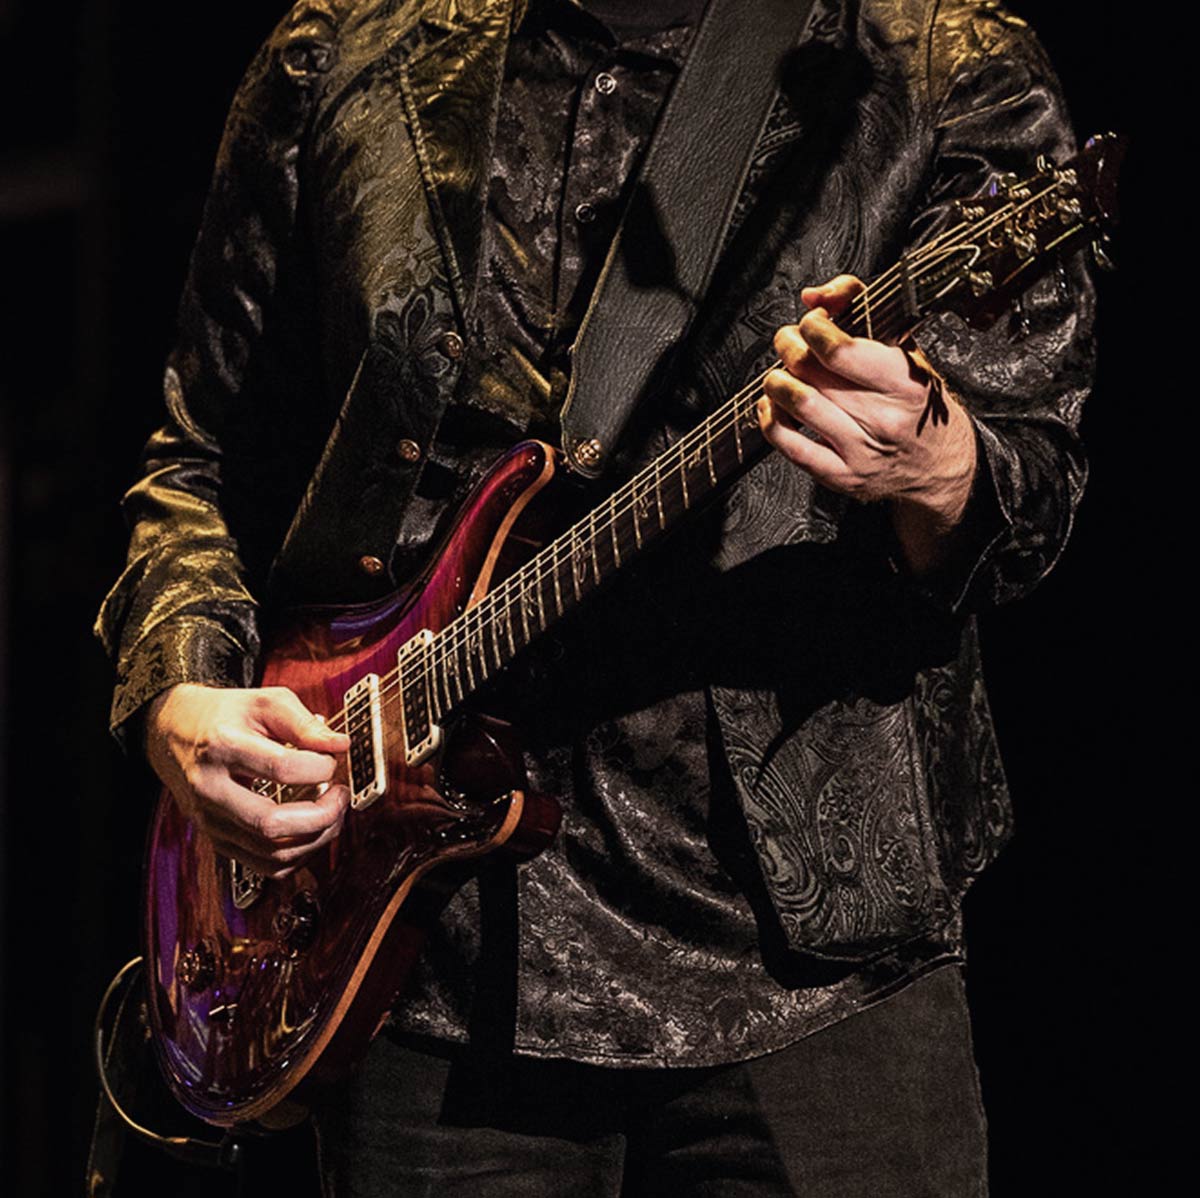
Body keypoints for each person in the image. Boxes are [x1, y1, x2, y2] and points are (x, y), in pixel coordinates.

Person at [97, 0, 1094, 1193]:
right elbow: (201, 460)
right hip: (417, 968)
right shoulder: (343, 50)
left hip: (810, 981)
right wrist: (180, 695)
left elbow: (1033, 492)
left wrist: (940, 468)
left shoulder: (928, 60)